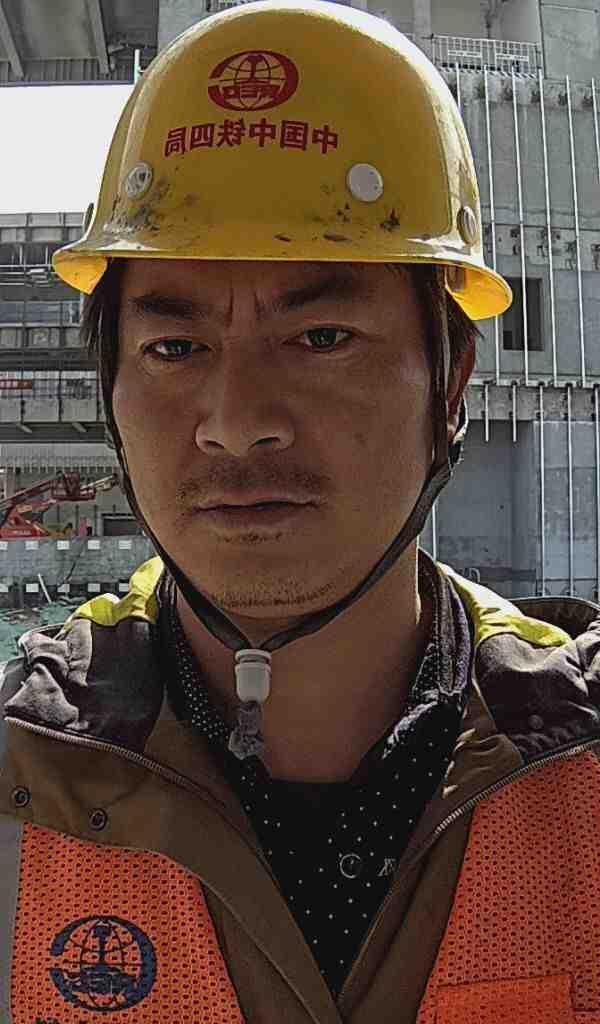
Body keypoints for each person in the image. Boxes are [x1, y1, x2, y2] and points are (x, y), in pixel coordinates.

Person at [1, 4, 600, 1022]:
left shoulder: (575, 762)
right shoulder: (22, 790)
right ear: (111, 387)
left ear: (452, 377)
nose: (237, 425)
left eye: (322, 337)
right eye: (174, 348)